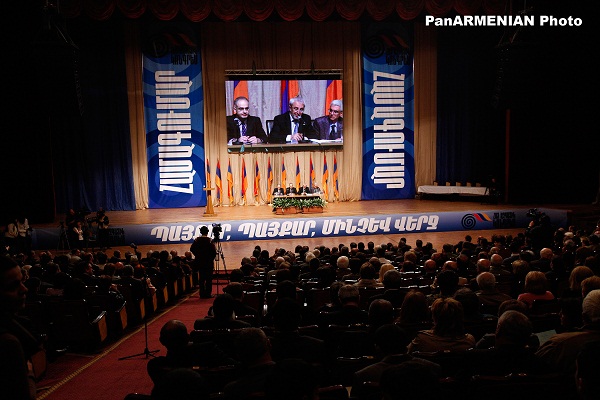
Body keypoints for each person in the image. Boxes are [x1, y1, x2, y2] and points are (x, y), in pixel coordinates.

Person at [0, 255, 43, 400]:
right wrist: (29, 372)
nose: (24, 289)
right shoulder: (8, 342)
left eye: (22, 282)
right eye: (13, 286)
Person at [190, 226, 217, 299]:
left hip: (200, 262)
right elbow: (214, 252)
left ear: (200, 232)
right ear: (207, 232)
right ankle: (208, 294)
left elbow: (192, 249)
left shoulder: (197, 240)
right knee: (209, 279)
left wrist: (197, 255)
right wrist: (210, 259)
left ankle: (202, 294)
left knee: (201, 279)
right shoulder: (210, 240)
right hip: (208, 263)